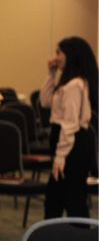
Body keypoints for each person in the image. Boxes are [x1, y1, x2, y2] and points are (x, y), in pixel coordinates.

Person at [40, 36, 97, 218]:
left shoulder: (74, 85)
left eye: (59, 52)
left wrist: (60, 156)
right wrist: (51, 74)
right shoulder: (68, 82)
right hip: (67, 142)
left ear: (70, 55)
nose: (55, 57)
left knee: (71, 198)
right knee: (57, 197)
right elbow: (45, 101)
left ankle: (78, 235)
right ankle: (55, 233)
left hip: (72, 144)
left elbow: (70, 125)